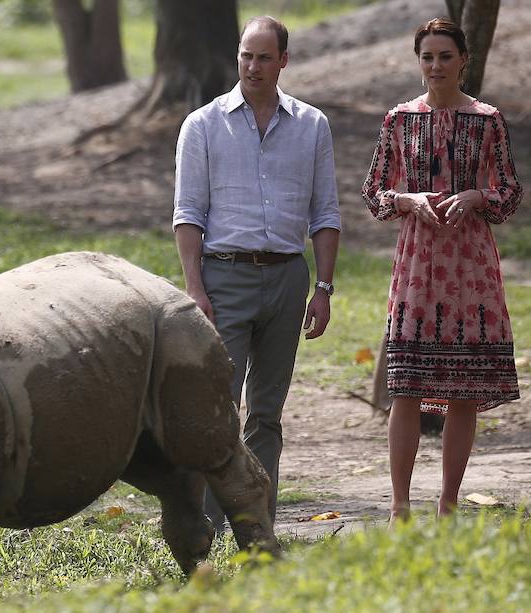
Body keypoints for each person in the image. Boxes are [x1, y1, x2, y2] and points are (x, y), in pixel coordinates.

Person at [173, 15, 341, 527]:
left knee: (267, 414)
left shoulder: (312, 126)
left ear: (283, 61)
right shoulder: (202, 125)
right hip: (224, 278)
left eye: (265, 57)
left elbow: (326, 213)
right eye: (247, 55)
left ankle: (257, 527)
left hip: (288, 279)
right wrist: (195, 288)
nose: (253, 65)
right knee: (218, 408)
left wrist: (323, 288)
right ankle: (207, 527)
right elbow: (188, 214)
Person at [361, 18, 522, 524]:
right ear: (419, 61)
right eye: (427, 57)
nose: (436, 66)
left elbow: (511, 192)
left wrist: (478, 196)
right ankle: (399, 505)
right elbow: (373, 193)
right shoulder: (398, 120)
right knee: (406, 384)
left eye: (445, 57)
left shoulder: (487, 120)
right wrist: (406, 199)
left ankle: (449, 503)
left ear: (463, 60)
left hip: (470, 262)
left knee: (463, 389)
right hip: (417, 261)